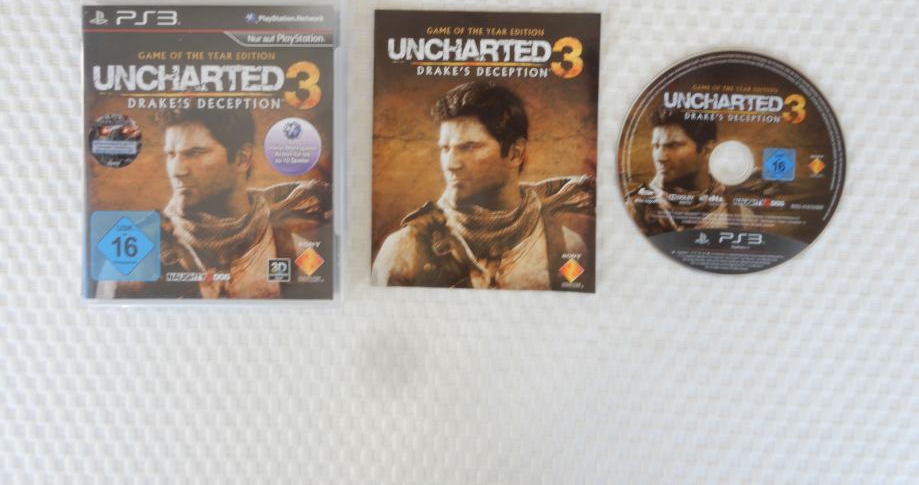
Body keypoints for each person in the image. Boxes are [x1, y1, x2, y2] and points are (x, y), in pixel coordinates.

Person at [372, 81, 594, 290]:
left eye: (469, 147)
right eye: (445, 149)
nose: (451, 164)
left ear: (515, 153)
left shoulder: (567, 248)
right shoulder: (404, 251)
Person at [104, 107, 329, 299]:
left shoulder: (297, 245)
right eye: (171, 154)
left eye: (195, 153)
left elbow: (316, 308)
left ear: (242, 158)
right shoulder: (129, 251)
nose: (177, 171)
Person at [624, 107, 749, 235]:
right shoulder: (633, 210)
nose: (660, 157)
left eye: (673, 145)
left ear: (706, 150)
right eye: (656, 146)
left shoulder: (739, 215)